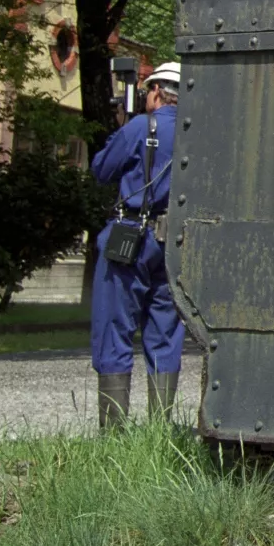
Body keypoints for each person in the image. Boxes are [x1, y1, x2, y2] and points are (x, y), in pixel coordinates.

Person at [90, 61, 186, 428]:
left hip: (131, 235)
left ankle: (113, 433)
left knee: (114, 327)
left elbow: (101, 169)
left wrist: (121, 131)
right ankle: (160, 430)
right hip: (174, 243)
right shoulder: (200, 133)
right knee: (165, 330)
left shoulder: (139, 127)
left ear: (158, 92)